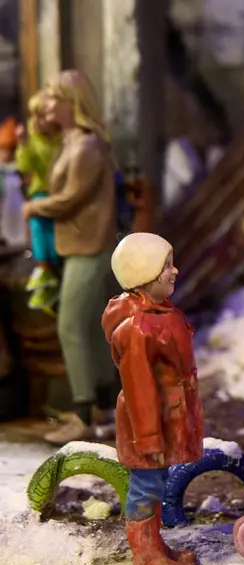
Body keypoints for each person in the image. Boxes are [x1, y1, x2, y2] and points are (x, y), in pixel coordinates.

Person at [24, 70, 119, 444]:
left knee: (70, 327)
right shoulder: (72, 141)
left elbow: (70, 199)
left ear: (70, 101)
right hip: (79, 244)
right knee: (93, 328)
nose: (46, 104)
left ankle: (82, 413)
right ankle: (103, 405)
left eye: (52, 97)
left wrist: (35, 207)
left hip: (88, 246)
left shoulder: (86, 147)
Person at [104, 232, 203, 565]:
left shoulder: (161, 312)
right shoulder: (138, 326)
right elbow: (139, 388)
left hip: (168, 415)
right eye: (165, 266)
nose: (174, 272)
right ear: (142, 273)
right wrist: (148, 438)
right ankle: (146, 557)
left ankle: (155, 545)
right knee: (146, 486)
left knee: (155, 483)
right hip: (149, 422)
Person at [14, 90, 62, 314]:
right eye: (33, 116)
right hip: (42, 190)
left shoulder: (63, 140)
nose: (35, 121)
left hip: (60, 191)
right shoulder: (34, 140)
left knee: (54, 230)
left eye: (40, 115)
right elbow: (24, 166)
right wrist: (23, 144)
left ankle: (53, 268)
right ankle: (44, 266)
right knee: (38, 223)